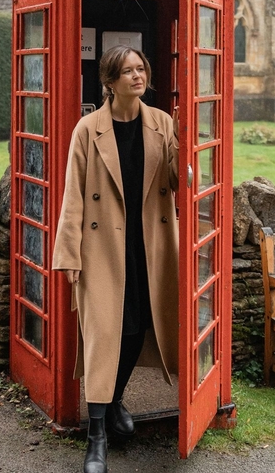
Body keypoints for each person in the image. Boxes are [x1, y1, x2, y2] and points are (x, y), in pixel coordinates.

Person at [52, 45, 179, 473]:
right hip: (102, 248)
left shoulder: (162, 123)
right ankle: (96, 436)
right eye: (126, 71)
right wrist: (68, 254)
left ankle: (113, 401)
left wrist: (193, 158)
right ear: (109, 81)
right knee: (107, 334)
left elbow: (178, 180)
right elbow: (72, 197)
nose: (136, 77)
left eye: (141, 68)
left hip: (150, 246)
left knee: (136, 329)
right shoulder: (88, 129)